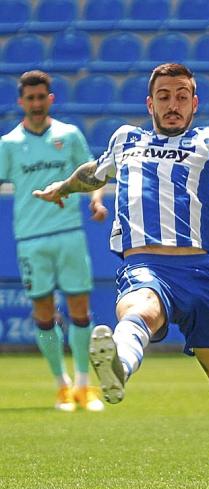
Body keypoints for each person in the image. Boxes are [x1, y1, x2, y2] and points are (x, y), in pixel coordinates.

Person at [33, 40, 209, 486]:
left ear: (194, 103)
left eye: (181, 96)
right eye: (163, 96)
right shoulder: (126, 140)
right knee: (140, 307)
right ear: (149, 103)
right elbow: (94, 173)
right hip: (145, 266)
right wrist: (61, 187)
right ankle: (117, 364)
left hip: (200, 276)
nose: (172, 104)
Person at [0, 70, 108, 413]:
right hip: (30, 239)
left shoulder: (69, 135)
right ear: (21, 102)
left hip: (68, 235)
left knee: (79, 310)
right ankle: (61, 386)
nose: (35, 103)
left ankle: (82, 386)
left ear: (50, 98)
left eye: (40, 97)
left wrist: (96, 199)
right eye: (29, 98)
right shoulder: (9, 144)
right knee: (43, 314)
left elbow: (94, 173)